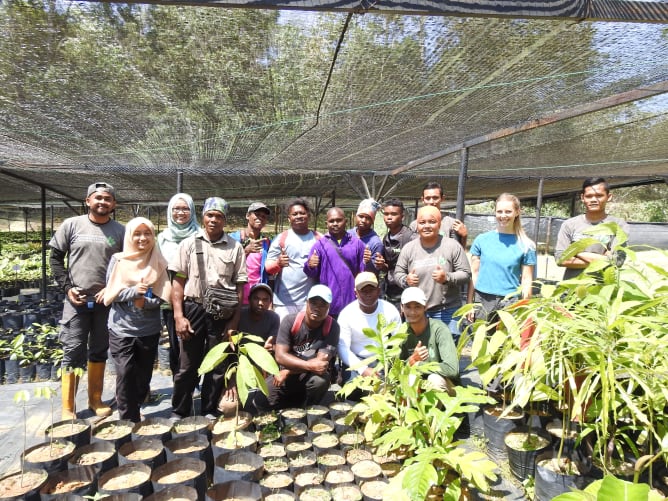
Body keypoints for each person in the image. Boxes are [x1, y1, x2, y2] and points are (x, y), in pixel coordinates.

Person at [49, 181, 125, 419]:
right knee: (73, 350)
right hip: (76, 301)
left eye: (107, 199)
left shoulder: (119, 232)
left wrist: (111, 289)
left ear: (113, 204)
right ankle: (68, 407)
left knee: (100, 350)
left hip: (105, 302)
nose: (102, 202)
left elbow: (126, 265)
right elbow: (55, 259)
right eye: (98, 197)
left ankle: (95, 399)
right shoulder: (72, 225)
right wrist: (68, 288)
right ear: (88, 201)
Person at [169, 197, 247, 419]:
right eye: (210, 215)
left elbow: (240, 287)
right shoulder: (188, 244)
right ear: (202, 217)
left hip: (222, 313)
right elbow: (178, 282)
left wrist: (233, 323)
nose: (213, 220)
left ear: (225, 220)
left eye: (219, 216)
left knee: (217, 364)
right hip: (193, 308)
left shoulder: (235, 248)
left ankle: (209, 409)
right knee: (187, 365)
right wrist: (178, 316)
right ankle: (179, 410)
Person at [104, 217, 172, 422]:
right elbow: (111, 293)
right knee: (125, 374)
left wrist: (146, 303)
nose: (143, 238)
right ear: (130, 236)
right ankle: (128, 419)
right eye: (137, 233)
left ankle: (136, 405)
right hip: (122, 329)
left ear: (153, 236)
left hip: (148, 329)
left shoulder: (158, 261)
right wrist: (133, 293)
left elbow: (162, 297)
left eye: (147, 233)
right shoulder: (119, 260)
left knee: (143, 377)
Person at [254, 284, 340, 412]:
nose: (317, 308)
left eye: (323, 305)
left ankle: (308, 409)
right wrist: (304, 367)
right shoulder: (290, 321)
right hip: (286, 376)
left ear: (329, 307)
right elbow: (280, 356)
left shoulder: (332, 326)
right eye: (314, 303)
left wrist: (289, 371)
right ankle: (291, 405)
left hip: (307, 375)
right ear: (306, 303)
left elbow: (320, 365)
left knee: (320, 381)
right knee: (260, 400)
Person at [394, 205, 471, 342]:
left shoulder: (452, 246)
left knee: (447, 355)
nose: (427, 226)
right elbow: (398, 272)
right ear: (417, 225)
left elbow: (465, 274)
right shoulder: (409, 248)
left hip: (447, 310)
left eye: (432, 222)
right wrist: (406, 280)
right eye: (422, 222)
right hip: (416, 311)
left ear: (439, 224)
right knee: (420, 355)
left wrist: (447, 277)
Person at [467, 193, 536, 323]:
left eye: (508, 211)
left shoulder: (527, 245)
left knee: (507, 341)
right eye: (499, 211)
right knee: (479, 339)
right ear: (495, 213)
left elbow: (527, 280)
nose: (503, 216)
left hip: (510, 302)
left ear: (517, 212)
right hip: (483, 300)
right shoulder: (481, 240)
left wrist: (526, 308)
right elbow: (474, 274)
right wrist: (469, 304)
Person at [219, 282, 279, 416]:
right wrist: (231, 380)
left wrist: (272, 347)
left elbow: (273, 348)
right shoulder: (238, 316)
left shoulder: (274, 318)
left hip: (261, 371)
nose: (260, 303)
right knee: (228, 407)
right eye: (256, 298)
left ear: (270, 302)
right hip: (238, 370)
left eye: (265, 300)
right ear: (249, 299)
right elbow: (228, 352)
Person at [157, 193, 200, 377]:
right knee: (175, 343)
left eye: (185, 208)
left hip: (194, 298)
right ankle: (179, 382)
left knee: (195, 343)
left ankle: (193, 381)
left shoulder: (200, 236)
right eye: (176, 208)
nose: (180, 212)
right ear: (170, 211)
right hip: (169, 298)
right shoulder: (162, 238)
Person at [555, 177, 630, 280]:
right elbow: (560, 259)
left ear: (608, 197)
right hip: (570, 290)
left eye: (599, 196)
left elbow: (617, 261)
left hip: (603, 290)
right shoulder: (569, 225)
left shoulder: (618, 225)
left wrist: (576, 251)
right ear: (582, 198)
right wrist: (603, 258)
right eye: (589, 196)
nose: (594, 200)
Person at [336, 272, 401, 384]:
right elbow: (343, 349)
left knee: (388, 386)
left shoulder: (390, 310)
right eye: (363, 291)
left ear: (379, 290)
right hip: (357, 359)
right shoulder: (346, 314)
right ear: (355, 292)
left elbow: (399, 341)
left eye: (371, 290)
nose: (368, 294)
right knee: (354, 388)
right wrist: (363, 370)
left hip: (383, 358)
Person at [304, 207, 368, 317]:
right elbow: (311, 273)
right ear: (326, 223)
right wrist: (310, 265)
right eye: (331, 221)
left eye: (339, 220)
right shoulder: (320, 245)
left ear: (346, 221)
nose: (335, 223)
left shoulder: (357, 244)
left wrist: (368, 262)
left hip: (352, 302)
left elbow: (363, 273)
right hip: (328, 303)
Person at [265, 199, 321, 321]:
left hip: (309, 301)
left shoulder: (319, 239)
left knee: (305, 336)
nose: (299, 216)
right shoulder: (282, 238)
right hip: (284, 302)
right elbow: (268, 267)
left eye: (302, 213)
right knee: (284, 336)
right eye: (294, 214)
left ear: (309, 216)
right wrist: (278, 264)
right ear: (289, 219)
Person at [400, 287, 459, 394]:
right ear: (402, 308)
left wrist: (418, 365)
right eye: (408, 307)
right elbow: (393, 370)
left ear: (425, 307)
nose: (412, 312)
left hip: (446, 386)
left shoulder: (439, 329)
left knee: (434, 380)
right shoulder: (401, 332)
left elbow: (452, 369)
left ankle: (435, 411)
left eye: (417, 307)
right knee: (410, 379)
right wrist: (412, 360)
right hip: (418, 385)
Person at [373, 199, 417, 308]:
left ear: (402, 217)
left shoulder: (411, 238)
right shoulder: (386, 239)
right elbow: (390, 268)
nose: (389, 217)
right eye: (386, 214)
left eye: (393, 214)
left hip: (407, 292)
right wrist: (382, 265)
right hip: (390, 292)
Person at [229, 202, 272, 304]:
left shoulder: (266, 243)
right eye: (257, 214)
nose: (260, 218)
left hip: (257, 300)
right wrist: (246, 251)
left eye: (264, 216)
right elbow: (224, 265)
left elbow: (268, 272)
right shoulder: (232, 239)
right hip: (235, 296)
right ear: (248, 216)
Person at [409, 181, 468, 247]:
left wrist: (464, 237)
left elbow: (457, 252)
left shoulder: (451, 224)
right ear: (423, 199)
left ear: (442, 198)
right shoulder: (414, 225)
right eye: (428, 198)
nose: (431, 202)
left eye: (435, 198)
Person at [347, 198, 384, 273]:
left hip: (364, 282)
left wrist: (368, 262)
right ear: (355, 217)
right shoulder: (347, 235)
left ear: (372, 221)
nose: (363, 220)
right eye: (361, 216)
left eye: (368, 218)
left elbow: (375, 271)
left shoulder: (376, 243)